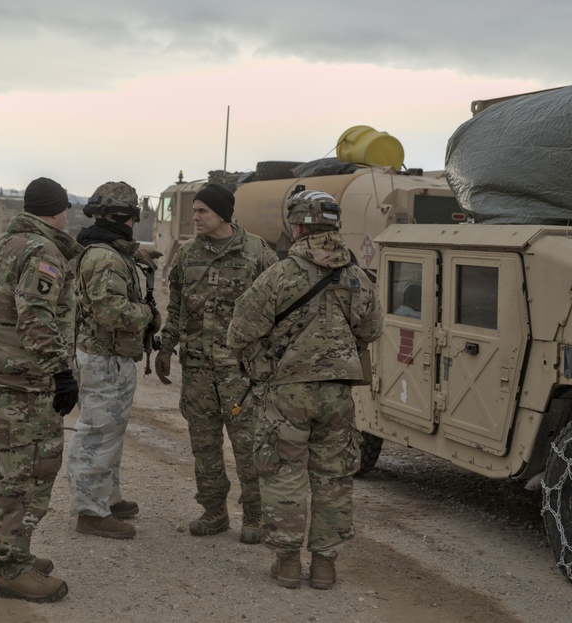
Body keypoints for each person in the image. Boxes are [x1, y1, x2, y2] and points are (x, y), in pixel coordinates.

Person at [227, 188, 383, 590]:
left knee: (283, 473)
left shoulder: (281, 274)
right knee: (334, 477)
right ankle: (326, 565)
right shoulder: (356, 276)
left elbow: (240, 331)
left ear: (296, 225)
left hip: (287, 393)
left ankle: (289, 563)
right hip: (336, 394)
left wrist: (262, 364)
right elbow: (372, 330)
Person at [0, 176, 82, 603]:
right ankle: (13, 567)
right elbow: (35, 315)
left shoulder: (7, 243)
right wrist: (61, 373)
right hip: (25, 386)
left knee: (2, 471)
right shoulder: (42, 251)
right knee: (29, 476)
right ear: (58, 210)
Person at [154, 182, 278, 543]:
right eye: (194, 210)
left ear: (223, 213)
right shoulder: (187, 254)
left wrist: (270, 358)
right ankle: (213, 511)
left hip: (242, 373)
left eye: (201, 211)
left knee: (249, 445)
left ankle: (255, 515)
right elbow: (175, 306)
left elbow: (277, 309)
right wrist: (166, 348)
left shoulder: (257, 253)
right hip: (197, 370)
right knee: (203, 444)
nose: (195, 217)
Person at [66, 181, 160, 539]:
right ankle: (90, 510)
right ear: (127, 217)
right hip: (104, 357)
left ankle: (106, 498)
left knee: (110, 432)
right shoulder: (105, 257)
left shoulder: (104, 248)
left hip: (108, 355)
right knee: (98, 433)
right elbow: (110, 312)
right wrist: (149, 315)